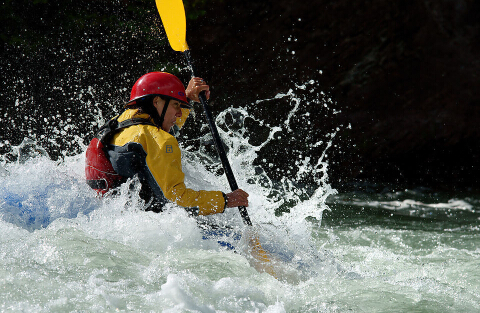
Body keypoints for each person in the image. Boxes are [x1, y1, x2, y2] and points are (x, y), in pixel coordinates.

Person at [85, 72, 249, 215]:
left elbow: (163, 126)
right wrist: (226, 200)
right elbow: (178, 201)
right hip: (153, 229)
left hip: (111, 214)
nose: (179, 113)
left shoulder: (120, 124)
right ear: (156, 102)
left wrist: (185, 98)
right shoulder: (159, 140)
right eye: (176, 105)